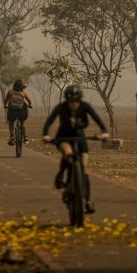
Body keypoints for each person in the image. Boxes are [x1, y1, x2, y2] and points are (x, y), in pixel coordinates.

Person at [42, 85, 109, 214]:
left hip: (79, 138)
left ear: (79, 100)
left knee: (84, 170)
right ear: (67, 100)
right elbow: (49, 121)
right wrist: (45, 135)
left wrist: (104, 132)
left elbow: (97, 119)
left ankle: (87, 201)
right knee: (68, 153)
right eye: (70, 101)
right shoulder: (61, 107)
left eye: (76, 101)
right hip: (64, 137)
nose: (73, 104)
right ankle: (61, 174)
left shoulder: (85, 106)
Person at [4, 79, 33, 146]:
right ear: (22, 86)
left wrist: (5, 105)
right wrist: (30, 105)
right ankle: (25, 137)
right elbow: (30, 102)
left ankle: (12, 136)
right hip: (21, 111)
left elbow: (6, 100)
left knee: (11, 122)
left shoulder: (10, 92)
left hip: (12, 110)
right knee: (22, 122)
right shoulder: (23, 93)